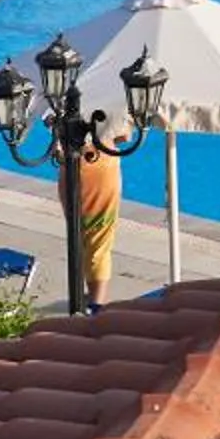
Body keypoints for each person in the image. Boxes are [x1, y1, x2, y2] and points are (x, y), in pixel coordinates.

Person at [72, 131, 123, 308]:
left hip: (71, 169)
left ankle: (92, 294)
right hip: (100, 167)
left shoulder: (61, 105)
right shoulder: (108, 105)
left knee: (82, 237)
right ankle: (96, 302)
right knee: (99, 242)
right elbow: (123, 135)